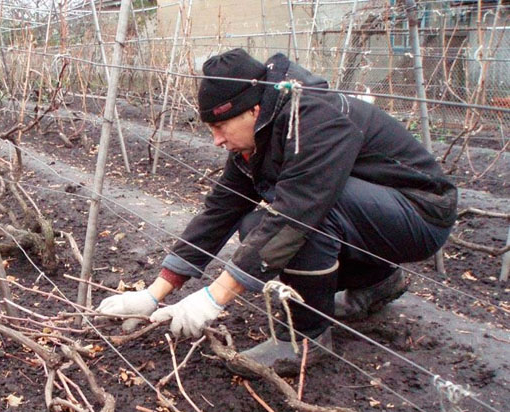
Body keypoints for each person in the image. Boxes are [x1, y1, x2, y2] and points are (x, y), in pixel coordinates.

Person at [99, 49, 457, 375]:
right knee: (254, 223)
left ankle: (303, 341)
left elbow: (297, 212)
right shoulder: (261, 133)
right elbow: (220, 209)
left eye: (220, 127)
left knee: (306, 218)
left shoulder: (314, 118)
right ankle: (375, 282)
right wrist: (154, 294)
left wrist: (214, 298)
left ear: (253, 110)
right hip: (374, 215)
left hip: (421, 213)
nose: (217, 140)